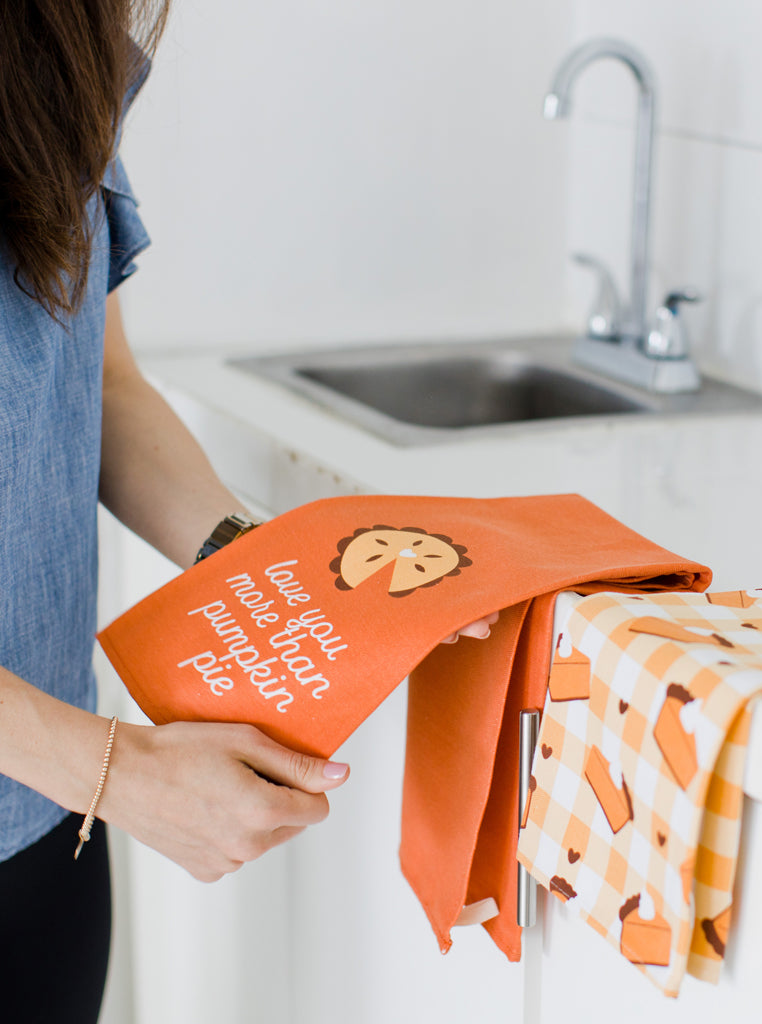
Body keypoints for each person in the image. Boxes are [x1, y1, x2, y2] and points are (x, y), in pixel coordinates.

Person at [0, 4, 494, 1020]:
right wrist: (120, 766)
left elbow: (97, 382)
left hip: (49, 831)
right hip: (78, 777)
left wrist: (276, 568)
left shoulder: (50, 63)